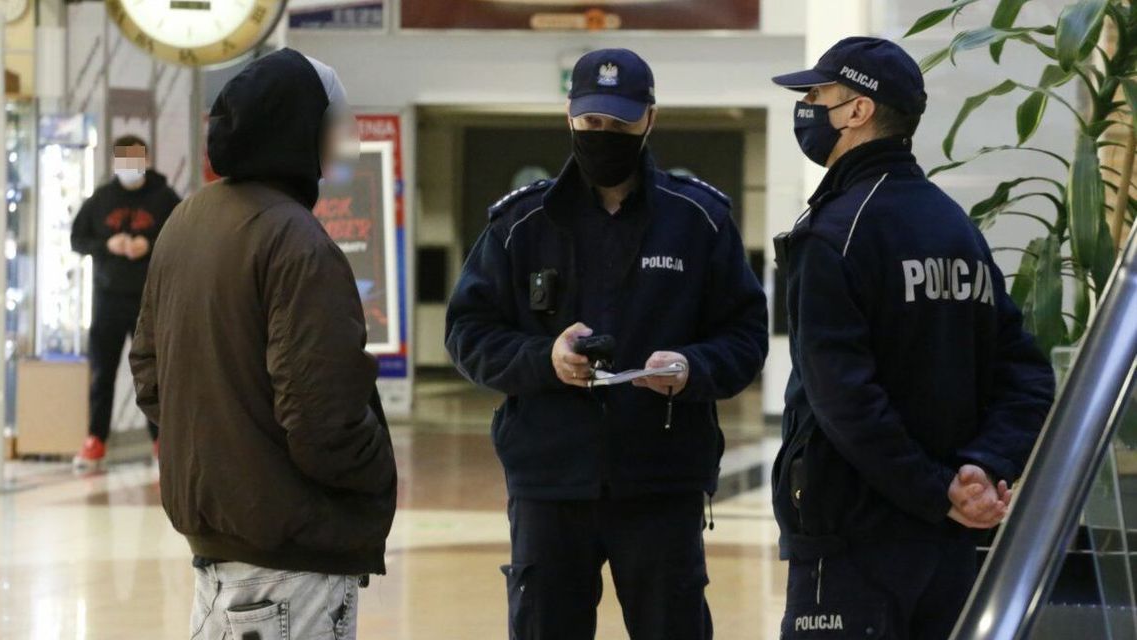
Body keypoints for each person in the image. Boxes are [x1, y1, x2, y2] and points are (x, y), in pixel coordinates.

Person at [446, 48, 768, 640]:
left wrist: (692, 368)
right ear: (569, 115)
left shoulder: (698, 220)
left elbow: (746, 336)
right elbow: (468, 332)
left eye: (620, 123)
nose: (603, 134)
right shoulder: (521, 223)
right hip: (550, 484)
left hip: (663, 482)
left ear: (650, 119)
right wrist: (544, 359)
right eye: (592, 121)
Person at [769, 37, 1056, 639]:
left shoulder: (833, 233)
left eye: (818, 94)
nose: (808, 107)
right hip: (946, 545)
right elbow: (1027, 374)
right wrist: (982, 469)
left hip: (851, 540)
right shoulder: (955, 227)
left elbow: (843, 399)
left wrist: (938, 491)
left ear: (857, 110)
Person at [129, 48, 396, 640]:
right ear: (300, 129)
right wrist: (375, 472)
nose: (339, 144)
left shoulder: (186, 221)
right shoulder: (297, 240)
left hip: (219, 549)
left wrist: (221, 449)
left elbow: (149, 370)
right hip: (291, 558)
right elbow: (322, 412)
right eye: (332, 125)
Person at [71, 135, 180, 470]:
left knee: (153, 372)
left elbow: (182, 236)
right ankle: (96, 439)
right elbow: (78, 238)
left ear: (146, 161)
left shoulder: (164, 198)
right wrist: (108, 245)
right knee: (102, 372)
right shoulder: (102, 198)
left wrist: (150, 245)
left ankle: (162, 439)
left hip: (148, 300)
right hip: (107, 299)